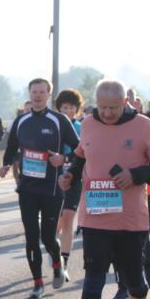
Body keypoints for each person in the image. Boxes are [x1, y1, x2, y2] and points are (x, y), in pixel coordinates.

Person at [59, 79, 150, 299]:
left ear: (125, 103)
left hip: (130, 220)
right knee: (93, 282)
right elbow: (81, 156)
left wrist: (135, 175)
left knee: (135, 283)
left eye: (114, 108)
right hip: (95, 218)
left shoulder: (143, 125)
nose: (107, 113)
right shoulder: (88, 124)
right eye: (103, 107)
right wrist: (70, 175)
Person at [0, 78, 78, 299]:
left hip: (52, 188)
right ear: (29, 93)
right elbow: (11, 147)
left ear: (49, 95)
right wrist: (6, 165)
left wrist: (63, 158)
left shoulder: (59, 120)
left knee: (48, 237)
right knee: (31, 237)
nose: (37, 95)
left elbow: (79, 149)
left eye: (42, 92)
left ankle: (57, 263)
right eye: (34, 92)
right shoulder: (21, 121)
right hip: (27, 188)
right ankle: (37, 283)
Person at [54, 88, 84, 280]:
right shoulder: (52, 126)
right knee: (55, 224)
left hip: (74, 179)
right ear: (59, 108)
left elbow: (83, 152)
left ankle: (64, 263)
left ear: (77, 109)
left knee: (68, 220)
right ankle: (54, 253)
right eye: (64, 107)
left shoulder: (82, 128)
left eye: (72, 107)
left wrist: (67, 159)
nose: (68, 111)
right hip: (53, 180)